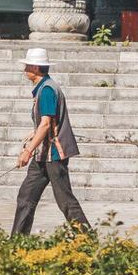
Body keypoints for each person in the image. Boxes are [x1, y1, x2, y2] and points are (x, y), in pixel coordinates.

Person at [10, 46, 88, 236]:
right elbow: (46, 122)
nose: (25, 70)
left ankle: (88, 239)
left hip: (53, 155)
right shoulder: (44, 88)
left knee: (65, 200)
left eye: (27, 66)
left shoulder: (46, 90)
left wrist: (27, 150)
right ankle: (17, 240)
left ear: (35, 69)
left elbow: (46, 125)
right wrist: (34, 132)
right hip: (42, 155)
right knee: (26, 197)